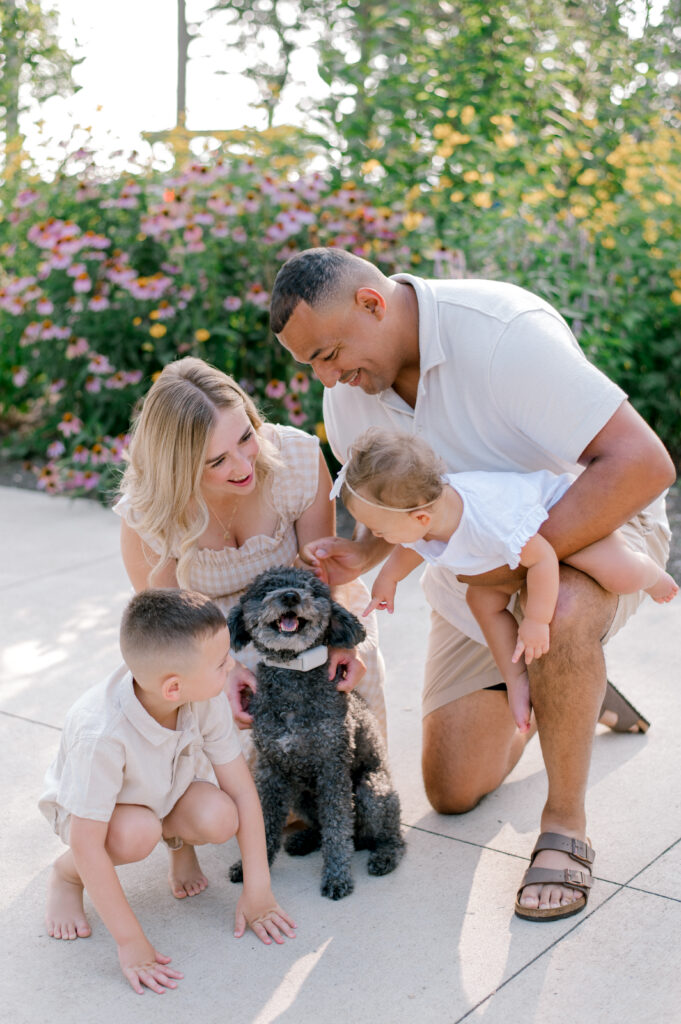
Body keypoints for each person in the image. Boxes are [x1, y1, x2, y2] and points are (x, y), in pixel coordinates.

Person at [270, 246, 676, 922]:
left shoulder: (501, 333)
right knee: (452, 788)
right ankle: (568, 687)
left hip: (594, 531)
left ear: (372, 303)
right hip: (475, 572)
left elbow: (641, 464)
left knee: (565, 608)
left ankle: (564, 825)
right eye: (311, 364)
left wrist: (517, 563)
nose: (329, 378)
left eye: (329, 353)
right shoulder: (349, 398)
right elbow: (396, 517)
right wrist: (360, 554)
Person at [114, 356, 386, 752]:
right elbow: (169, 624)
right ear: (179, 467)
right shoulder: (147, 513)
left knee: (331, 691)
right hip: (203, 636)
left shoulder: (296, 458)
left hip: (302, 609)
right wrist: (223, 668)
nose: (244, 465)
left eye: (245, 437)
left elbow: (322, 575)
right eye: (217, 461)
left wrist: (338, 640)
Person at [332, 426, 677, 734]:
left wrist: (537, 621)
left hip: (552, 518)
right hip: (510, 550)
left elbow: (543, 557)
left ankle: (649, 573)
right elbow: (412, 545)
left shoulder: (486, 521)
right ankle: (516, 679)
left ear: (421, 517)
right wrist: (388, 579)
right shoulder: (425, 517)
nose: (375, 535)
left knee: (619, 574)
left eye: (379, 529)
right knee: (480, 600)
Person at [40, 588, 296, 996]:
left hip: (165, 788)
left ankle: (180, 845)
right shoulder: (101, 735)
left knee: (220, 814)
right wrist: (130, 942)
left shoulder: (203, 692)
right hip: (95, 818)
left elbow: (242, 791)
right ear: (173, 687)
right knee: (135, 833)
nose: (231, 665)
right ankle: (65, 876)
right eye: (220, 662)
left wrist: (258, 890)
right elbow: (88, 841)